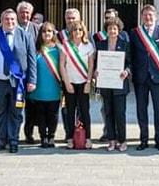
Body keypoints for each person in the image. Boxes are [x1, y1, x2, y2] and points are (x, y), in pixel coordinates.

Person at [0, 9, 37, 154]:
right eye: (7, 19)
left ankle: (13, 140)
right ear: (1, 20)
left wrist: (32, 80)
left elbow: (32, 60)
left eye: (12, 19)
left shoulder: (25, 36)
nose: (10, 22)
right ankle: (1, 139)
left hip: (18, 83)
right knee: (0, 111)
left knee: (16, 112)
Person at [129, 4, 159, 151]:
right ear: (142, 17)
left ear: (155, 17)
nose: (148, 17)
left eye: (150, 15)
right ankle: (143, 139)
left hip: (157, 77)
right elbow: (131, 55)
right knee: (141, 110)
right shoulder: (135, 33)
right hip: (141, 78)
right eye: (145, 15)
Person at [95, 18, 131, 151]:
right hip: (106, 83)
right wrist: (96, 72)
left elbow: (130, 63)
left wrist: (126, 71)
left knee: (120, 113)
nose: (112, 31)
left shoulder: (125, 44)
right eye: (110, 28)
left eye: (114, 28)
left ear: (119, 30)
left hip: (120, 84)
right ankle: (111, 140)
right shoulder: (100, 44)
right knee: (108, 112)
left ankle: (122, 140)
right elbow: (96, 63)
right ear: (106, 30)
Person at [60, 20, 95, 149]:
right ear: (71, 32)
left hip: (83, 82)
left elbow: (91, 65)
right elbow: (62, 65)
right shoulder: (66, 45)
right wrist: (66, 82)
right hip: (70, 83)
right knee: (70, 111)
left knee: (85, 111)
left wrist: (88, 82)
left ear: (83, 31)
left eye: (80, 29)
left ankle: (88, 138)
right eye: (75, 30)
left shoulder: (89, 46)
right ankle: (70, 138)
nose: (77, 32)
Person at [31, 22, 62, 148]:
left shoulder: (59, 50)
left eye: (49, 31)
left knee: (53, 115)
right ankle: (43, 137)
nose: (47, 34)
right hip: (39, 88)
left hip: (54, 88)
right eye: (44, 31)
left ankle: (51, 137)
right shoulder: (36, 49)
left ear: (53, 33)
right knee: (41, 115)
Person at [16, 1, 39, 145]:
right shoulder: (12, 27)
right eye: (22, 12)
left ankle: (29, 133)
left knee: (31, 107)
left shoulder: (37, 28)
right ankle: (13, 134)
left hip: (30, 73)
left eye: (27, 12)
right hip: (14, 75)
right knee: (15, 107)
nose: (25, 15)